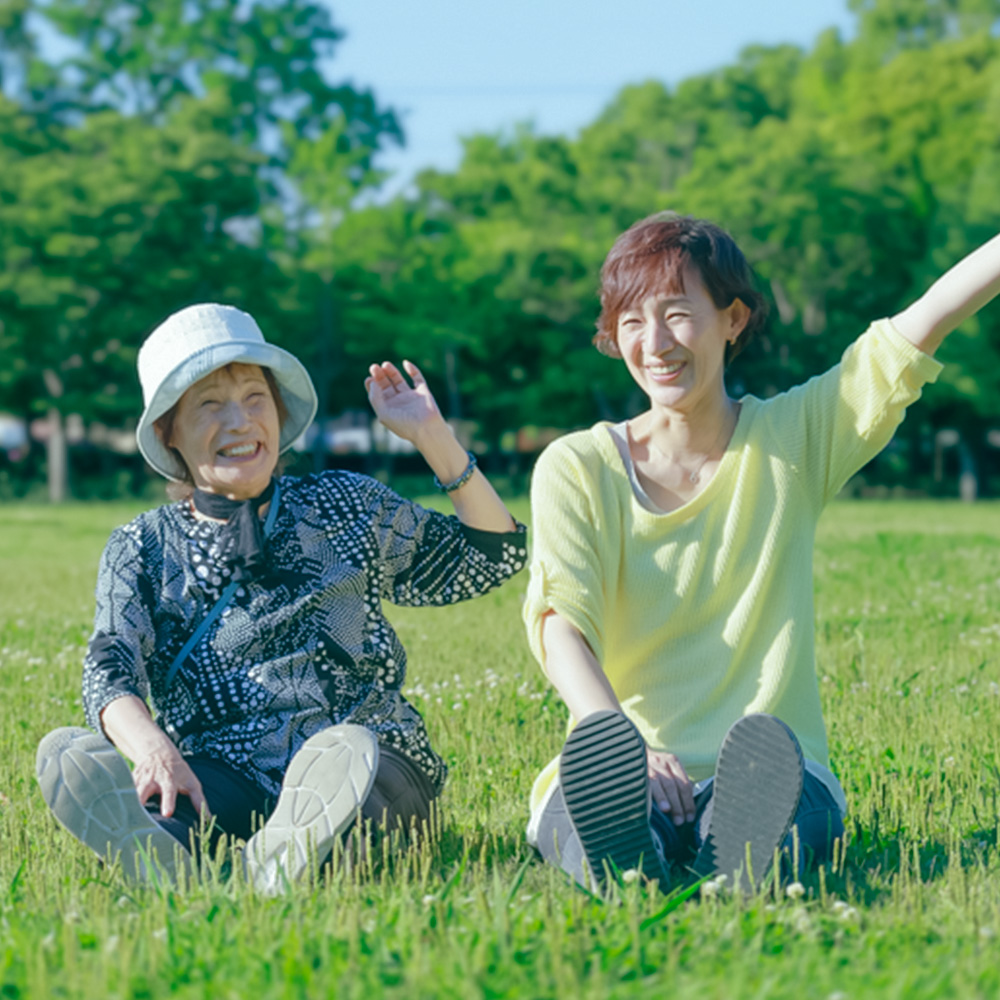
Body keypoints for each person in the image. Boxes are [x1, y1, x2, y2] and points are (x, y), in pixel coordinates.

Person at [523, 213, 1000, 893]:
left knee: (777, 800)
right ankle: (628, 850)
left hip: (768, 764)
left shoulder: (792, 440)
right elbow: (560, 621)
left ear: (733, 319)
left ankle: (739, 853)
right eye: (631, 321)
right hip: (627, 759)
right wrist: (617, 737)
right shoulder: (576, 466)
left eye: (677, 314)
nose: (653, 343)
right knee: (586, 810)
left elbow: (918, 326)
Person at [35, 303, 527, 890]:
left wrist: (430, 432)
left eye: (254, 398)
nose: (240, 422)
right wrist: (154, 751)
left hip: (363, 750)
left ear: (278, 410)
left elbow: (490, 554)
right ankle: (168, 848)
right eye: (210, 404)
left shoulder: (346, 504)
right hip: (223, 766)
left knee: (353, 794)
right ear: (168, 430)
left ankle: (290, 852)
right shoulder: (140, 546)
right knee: (170, 804)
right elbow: (109, 666)